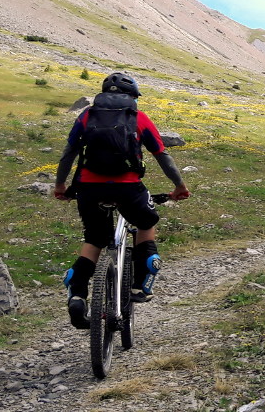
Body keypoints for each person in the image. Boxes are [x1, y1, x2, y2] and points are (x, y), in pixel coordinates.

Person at [53, 72, 190, 329]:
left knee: (94, 239)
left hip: (89, 188)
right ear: (132, 97)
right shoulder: (138, 118)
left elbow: (69, 153)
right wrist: (179, 186)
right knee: (146, 223)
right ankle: (141, 286)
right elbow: (162, 155)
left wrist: (61, 185)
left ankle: (78, 294)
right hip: (128, 189)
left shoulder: (86, 116)